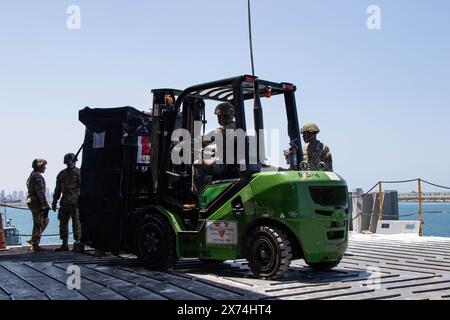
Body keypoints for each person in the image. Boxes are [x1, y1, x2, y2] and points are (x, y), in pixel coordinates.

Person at [183, 102, 236, 210]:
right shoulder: (239, 128)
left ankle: (199, 201)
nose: (218, 118)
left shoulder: (221, 131)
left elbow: (201, 142)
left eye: (219, 115)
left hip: (224, 166)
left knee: (197, 165)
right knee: (207, 159)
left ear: (224, 115)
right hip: (234, 163)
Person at [52, 153, 82, 252]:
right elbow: (57, 190)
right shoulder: (61, 174)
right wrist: (54, 201)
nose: (69, 163)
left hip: (76, 203)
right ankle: (64, 244)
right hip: (64, 203)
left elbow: (83, 188)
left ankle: (77, 243)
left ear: (75, 161)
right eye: (68, 161)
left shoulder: (79, 173)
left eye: (71, 161)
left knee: (76, 223)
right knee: (63, 224)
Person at [26, 158, 50, 252]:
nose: (45, 168)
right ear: (40, 166)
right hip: (36, 202)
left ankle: (33, 239)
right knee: (40, 223)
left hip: (33, 201)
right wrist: (46, 205)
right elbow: (40, 192)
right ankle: (35, 244)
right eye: (44, 166)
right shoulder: (37, 176)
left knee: (41, 221)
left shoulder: (32, 175)